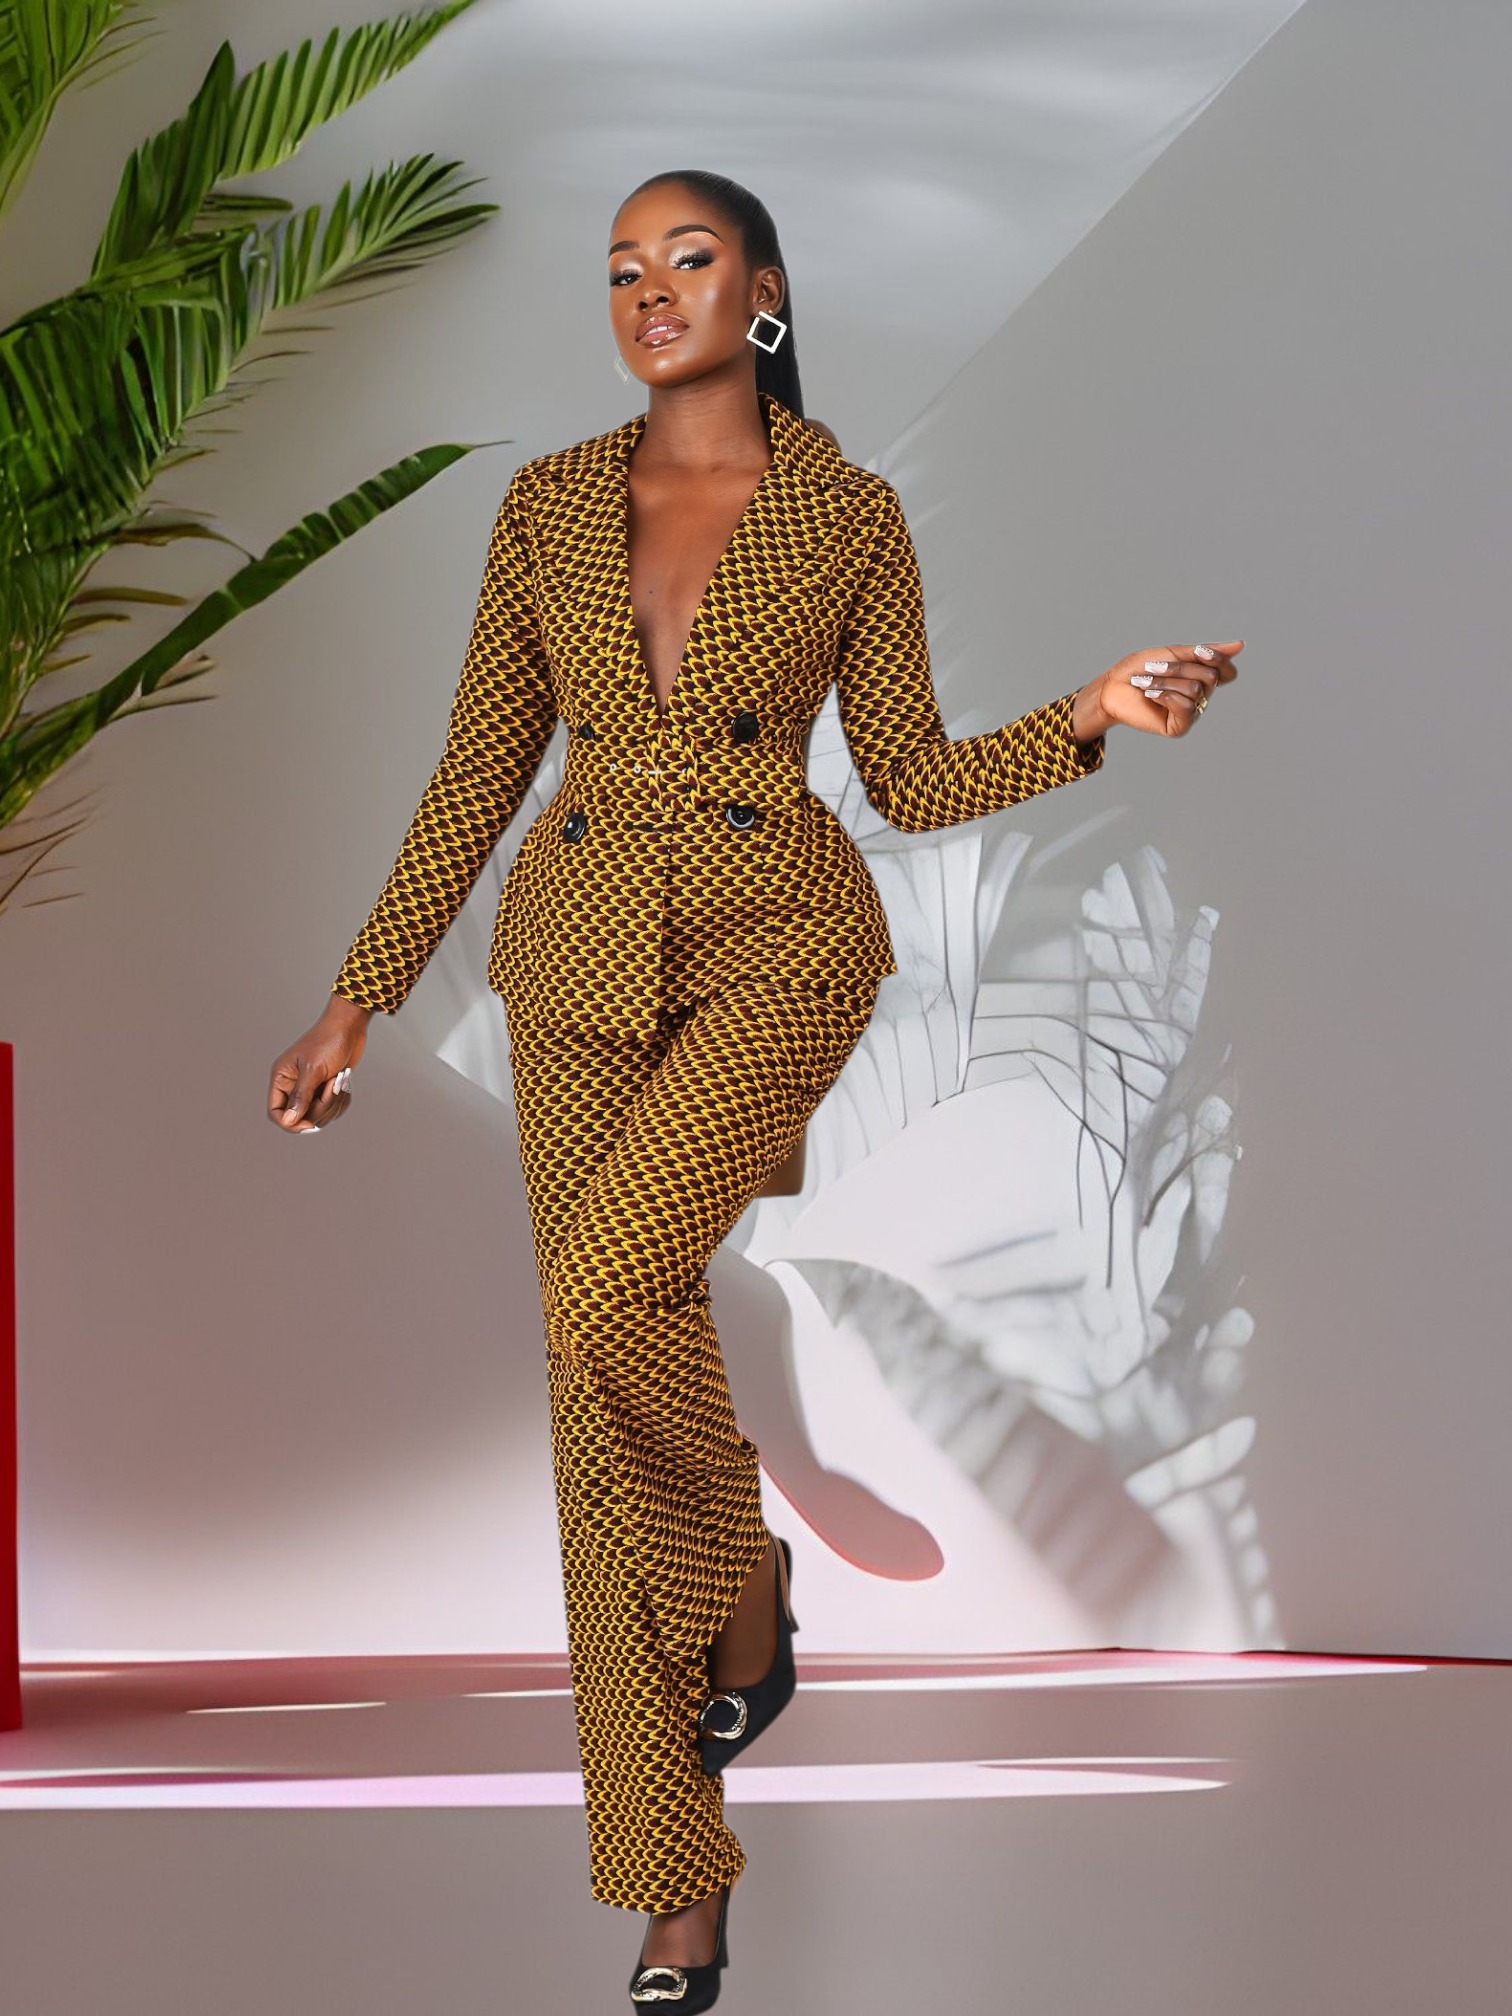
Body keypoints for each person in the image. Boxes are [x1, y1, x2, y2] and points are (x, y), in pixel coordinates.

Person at [266, 168, 1240, 2010]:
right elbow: (476, 771)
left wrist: (1099, 710)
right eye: (621, 268)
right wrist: (361, 997)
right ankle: (676, 1876)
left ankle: (739, 1567)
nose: (649, 292)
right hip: (571, 962)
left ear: (764, 289)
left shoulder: (849, 518)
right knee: (590, 1404)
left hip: (782, 942)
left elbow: (918, 776)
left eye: (687, 259)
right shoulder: (546, 506)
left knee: (610, 1287)